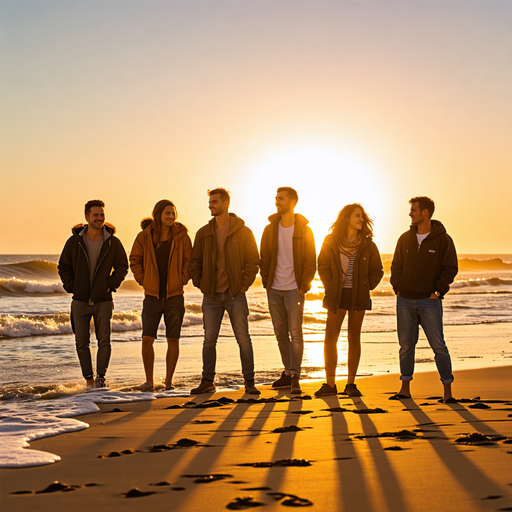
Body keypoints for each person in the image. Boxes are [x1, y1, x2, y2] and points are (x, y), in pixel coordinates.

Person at [190, 188, 260, 395]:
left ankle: (249, 382)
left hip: (235, 294)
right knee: (209, 339)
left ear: (226, 204)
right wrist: (201, 284)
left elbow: (252, 261)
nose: (210, 205)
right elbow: (195, 262)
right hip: (211, 296)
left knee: (243, 338)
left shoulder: (243, 232)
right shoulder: (203, 233)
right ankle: (207, 381)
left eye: (214, 202)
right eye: (210, 202)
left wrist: (244, 285)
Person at [390, 196, 458, 402]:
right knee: (406, 346)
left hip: (430, 301)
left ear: (425, 212)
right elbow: (396, 266)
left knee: (438, 345)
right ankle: (405, 389)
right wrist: (397, 287)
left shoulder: (443, 240)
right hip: (405, 300)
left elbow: (451, 268)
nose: (410, 213)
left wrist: (437, 291)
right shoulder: (404, 238)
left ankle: (448, 393)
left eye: (414, 210)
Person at [314, 204, 384, 397]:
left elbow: (378, 270)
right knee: (330, 337)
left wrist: (365, 286)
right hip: (337, 295)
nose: (361, 219)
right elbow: (323, 265)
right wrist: (330, 285)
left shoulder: (368, 244)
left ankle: (351, 384)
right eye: (357, 216)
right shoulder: (331, 241)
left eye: (363, 217)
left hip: (358, 296)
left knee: (354, 337)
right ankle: (330, 384)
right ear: (347, 218)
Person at [58, 199, 128, 388]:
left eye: (102, 215)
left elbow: (122, 266)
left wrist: (111, 284)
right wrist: (72, 286)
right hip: (79, 300)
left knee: (104, 340)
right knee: (81, 342)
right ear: (87, 217)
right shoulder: (75, 242)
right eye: (96, 215)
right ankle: (89, 380)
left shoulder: (112, 242)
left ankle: (101, 379)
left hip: (103, 300)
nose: (99, 218)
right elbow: (63, 266)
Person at [130, 199, 192, 391]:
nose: (171, 217)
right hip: (152, 297)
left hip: (175, 296)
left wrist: (182, 278)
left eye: (173, 213)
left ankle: (168, 382)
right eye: (167, 213)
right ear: (158, 215)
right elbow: (135, 260)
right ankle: (149, 381)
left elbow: (189, 261)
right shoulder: (144, 237)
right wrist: (143, 279)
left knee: (173, 339)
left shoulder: (182, 237)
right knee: (147, 339)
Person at [260, 187, 316, 394]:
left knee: (296, 333)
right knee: (280, 334)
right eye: (276, 198)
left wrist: (304, 286)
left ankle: (295, 376)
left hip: (295, 289)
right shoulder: (269, 229)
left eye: (281, 199)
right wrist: (266, 281)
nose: (277, 202)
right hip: (273, 289)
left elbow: (311, 260)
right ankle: (288, 372)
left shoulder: (304, 230)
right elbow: (264, 258)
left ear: (293, 202)